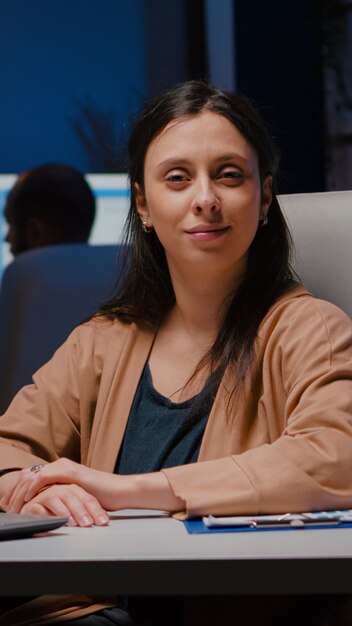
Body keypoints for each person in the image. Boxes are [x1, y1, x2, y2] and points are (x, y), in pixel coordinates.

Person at [0, 79, 351, 625]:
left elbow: (337, 456)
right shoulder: (101, 341)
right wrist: (29, 492)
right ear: (143, 203)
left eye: (230, 175)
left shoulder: (310, 329)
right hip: (92, 612)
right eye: (177, 178)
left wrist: (126, 491)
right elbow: (7, 446)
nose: (205, 198)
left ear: (264, 198)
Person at [3, 163, 96, 256]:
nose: (6, 238)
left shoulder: (19, 270)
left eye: (11, 224)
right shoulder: (103, 269)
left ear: (35, 232)